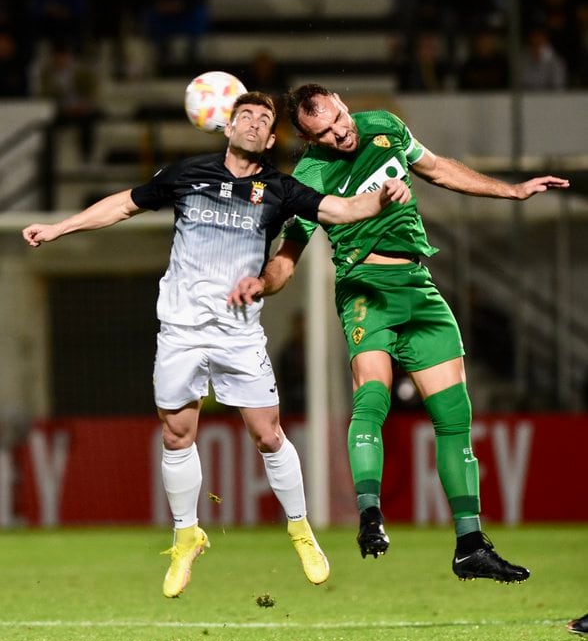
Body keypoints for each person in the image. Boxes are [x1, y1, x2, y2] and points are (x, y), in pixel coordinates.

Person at [22, 90, 410, 598]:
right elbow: (124, 204)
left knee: (268, 434)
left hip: (238, 331)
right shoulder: (188, 174)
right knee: (176, 434)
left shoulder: (279, 189)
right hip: (180, 329)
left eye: (263, 119)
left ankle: (299, 527)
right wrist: (59, 227)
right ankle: (187, 534)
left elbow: (337, 209)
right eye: (243, 115)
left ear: (272, 139)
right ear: (227, 128)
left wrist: (381, 197)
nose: (252, 123)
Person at [228, 83, 570, 583]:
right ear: (308, 138)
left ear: (344, 103)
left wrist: (511, 190)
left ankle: (471, 545)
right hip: (366, 288)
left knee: (455, 417)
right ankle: (369, 516)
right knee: (373, 396)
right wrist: (264, 283)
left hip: (419, 287)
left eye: (339, 119)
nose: (340, 133)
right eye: (323, 133)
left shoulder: (385, 127)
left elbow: (438, 169)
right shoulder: (309, 176)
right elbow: (289, 253)